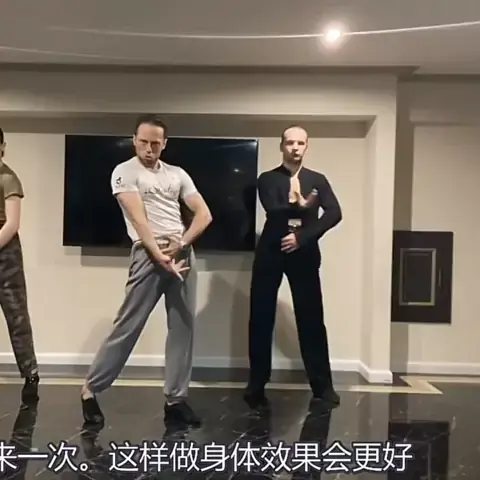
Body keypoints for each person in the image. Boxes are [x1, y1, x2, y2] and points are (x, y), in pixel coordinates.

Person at [80, 115, 212, 427]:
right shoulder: (125, 172)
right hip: (148, 254)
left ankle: (176, 400)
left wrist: (181, 244)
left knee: (183, 326)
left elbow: (204, 214)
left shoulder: (177, 174)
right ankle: (90, 390)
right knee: (129, 324)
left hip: (180, 252)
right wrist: (159, 254)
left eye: (155, 143)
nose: (149, 148)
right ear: (134, 141)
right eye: (143, 142)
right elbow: (139, 219)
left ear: (164, 144)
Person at [244, 125, 342, 410]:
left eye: (300, 143)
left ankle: (323, 386)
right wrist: (301, 203)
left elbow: (335, 213)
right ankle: (256, 385)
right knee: (261, 316)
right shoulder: (267, 178)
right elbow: (273, 209)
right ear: (282, 146)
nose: (295, 147)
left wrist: (302, 237)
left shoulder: (317, 180)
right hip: (271, 251)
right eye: (290, 143)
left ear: (306, 146)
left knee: (311, 318)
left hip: (304, 252)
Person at [0, 128, 40, 404]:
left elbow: (12, 223)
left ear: (2, 146)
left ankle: (30, 375)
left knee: (16, 316)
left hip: (6, 253)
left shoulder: (8, 177)